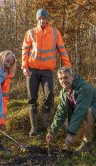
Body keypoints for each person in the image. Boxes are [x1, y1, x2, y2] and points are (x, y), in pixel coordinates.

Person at [22, 8, 72, 137]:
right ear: (37, 19)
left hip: (47, 70)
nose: (42, 20)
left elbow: (62, 50)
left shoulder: (55, 33)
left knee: (49, 96)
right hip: (32, 69)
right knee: (31, 98)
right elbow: (25, 50)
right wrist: (24, 66)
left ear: (47, 19)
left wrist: (68, 66)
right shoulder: (31, 33)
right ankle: (34, 127)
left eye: (44, 18)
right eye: (40, 18)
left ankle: (45, 123)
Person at [46, 67, 96, 155]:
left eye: (66, 77)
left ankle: (88, 142)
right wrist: (52, 132)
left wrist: (70, 134)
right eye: (60, 79)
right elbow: (60, 113)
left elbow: (80, 111)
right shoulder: (64, 92)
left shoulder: (84, 88)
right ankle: (94, 134)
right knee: (72, 142)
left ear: (72, 76)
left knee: (89, 110)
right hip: (83, 117)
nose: (63, 81)